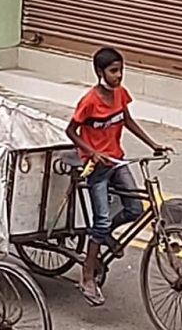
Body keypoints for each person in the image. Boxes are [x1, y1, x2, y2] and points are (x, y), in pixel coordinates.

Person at [66, 47, 171, 307]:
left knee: (135, 209)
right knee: (100, 221)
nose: (119, 75)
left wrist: (153, 145)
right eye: (113, 71)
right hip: (96, 167)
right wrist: (91, 152)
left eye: (121, 70)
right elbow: (71, 131)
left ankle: (104, 235)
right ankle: (87, 276)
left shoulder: (121, 94)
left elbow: (128, 121)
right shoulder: (89, 100)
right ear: (100, 72)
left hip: (117, 160)